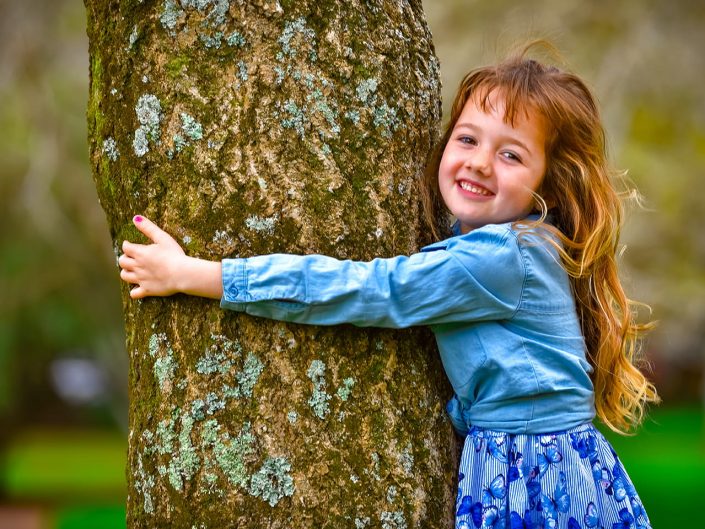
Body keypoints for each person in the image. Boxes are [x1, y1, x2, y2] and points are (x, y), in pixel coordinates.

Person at [118, 47, 659, 529]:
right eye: (467, 138)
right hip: (537, 465)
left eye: (510, 154)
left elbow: (367, 289)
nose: (478, 162)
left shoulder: (499, 257)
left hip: (534, 480)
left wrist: (200, 275)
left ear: (548, 180)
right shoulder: (512, 247)